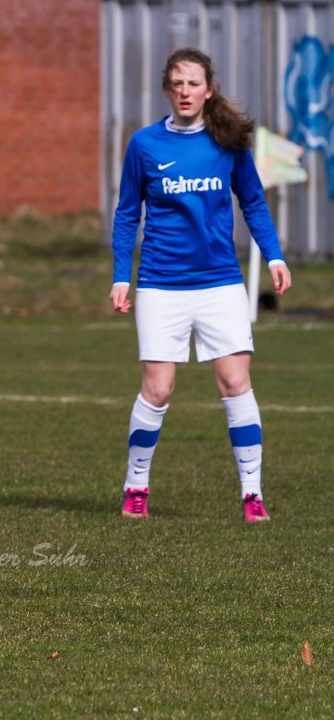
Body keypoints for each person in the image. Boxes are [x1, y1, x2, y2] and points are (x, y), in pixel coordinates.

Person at [110, 46, 292, 523]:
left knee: (235, 382)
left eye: (194, 83)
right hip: (160, 285)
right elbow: (128, 213)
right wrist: (119, 277)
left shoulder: (228, 143)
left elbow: (252, 202)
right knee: (159, 390)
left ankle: (252, 495)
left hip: (220, 283)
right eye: (178, 83)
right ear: (167, 89)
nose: (186, 91)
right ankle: (136, 486)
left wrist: (273, 255)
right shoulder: (144, 145)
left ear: (209, 89)